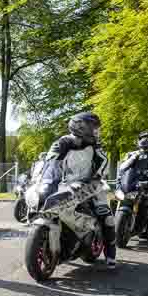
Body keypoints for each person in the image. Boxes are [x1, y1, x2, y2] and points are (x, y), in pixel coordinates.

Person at [44, 112, 117, 267]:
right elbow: (50, 161)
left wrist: (95, 179)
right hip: (65, 185)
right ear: (80, 127)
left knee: (107, 217)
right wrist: (44, 180)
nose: (96, 131)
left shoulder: (96, 145)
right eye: (93, 127)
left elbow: (103, 162)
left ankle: (110, 254)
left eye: (96, 128)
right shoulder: (63, 142)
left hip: (92, 185)